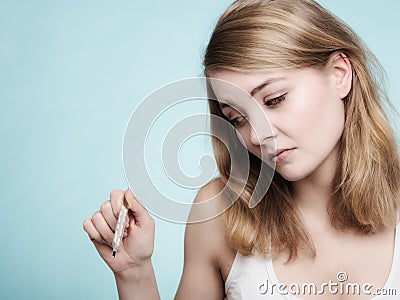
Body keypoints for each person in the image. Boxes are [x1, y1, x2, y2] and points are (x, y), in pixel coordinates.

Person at [83, 0, 400, 299]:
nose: (257, 134)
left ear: (339, 74)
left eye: (274, 99)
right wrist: (134, 273)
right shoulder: (220, 213)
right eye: (237, 118)